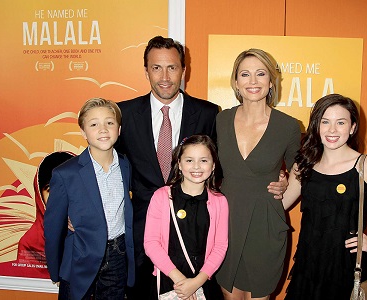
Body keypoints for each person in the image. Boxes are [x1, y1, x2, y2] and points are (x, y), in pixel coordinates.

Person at [116, 36, 288, 299]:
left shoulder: (209, 114)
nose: (164, 76)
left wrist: (281, 175)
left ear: (184, 70)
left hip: (199, 236)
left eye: (172, 67)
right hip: (144, 236)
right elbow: (108, 164)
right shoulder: (124, 114)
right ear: (146, 71)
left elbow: (228, 165)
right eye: (156, 67)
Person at [282, 94, 367, 300]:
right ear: (316, 126)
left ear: (352, 127)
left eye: (341, 122)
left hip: (346, 266)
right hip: (308, 264)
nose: (332, 130)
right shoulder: (303, 165)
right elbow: (281, 202)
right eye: (325, 122)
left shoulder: (366, 167)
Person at [216, 48, 301, 299]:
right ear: (236, 82)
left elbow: (299, 171)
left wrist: (279, 204)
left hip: (264, 227)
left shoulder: (287, 126)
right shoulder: (220, 120)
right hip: (226, 222)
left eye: (260, 73)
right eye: (245, 74)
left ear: (271, 80)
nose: (253, 81)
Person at [44, 98, 135, 300]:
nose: (103, 129)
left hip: (118, 255)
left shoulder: (126, 166)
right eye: (94, 124)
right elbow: (53, 227)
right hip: (79, 255)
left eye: (109, 123)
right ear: (83, 132)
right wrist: (55, 268)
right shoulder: (65, 173)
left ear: (119, 129)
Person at [144, 134, 228, 299]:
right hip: (169, 279)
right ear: (179, 164)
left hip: (203, 280)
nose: (196, 166)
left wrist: (196, 283)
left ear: (213, 166)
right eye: (189, 160)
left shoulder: (220, 202)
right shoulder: (161, 196)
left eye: (204, 160)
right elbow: (151, 243)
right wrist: (180, 280)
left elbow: (220, 247)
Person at [17, 151, 74, 279]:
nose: (59, 195)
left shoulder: (100, 228)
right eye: (50, 189)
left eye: (68, 186)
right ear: (39, 194)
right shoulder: (31, 243)